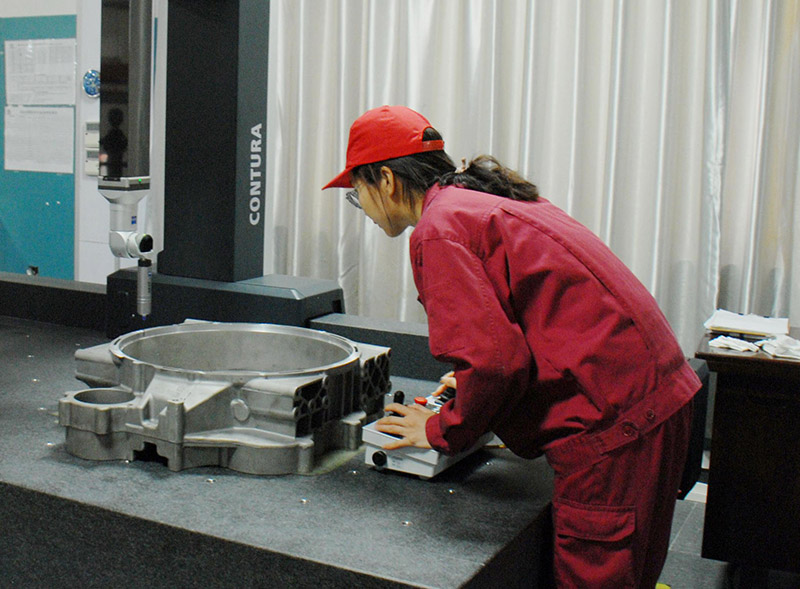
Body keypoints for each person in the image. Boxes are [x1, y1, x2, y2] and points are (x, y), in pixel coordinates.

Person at [323, 105, 700, 588]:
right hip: (656, 398)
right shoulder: (483, 202)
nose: (363, 208)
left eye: (357, 193)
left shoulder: (439, 228)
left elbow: (496, 365)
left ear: (387, 181)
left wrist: (441, 428)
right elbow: (531, 318)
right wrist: (472, 379)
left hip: (616, 426)